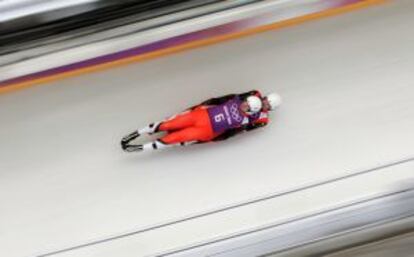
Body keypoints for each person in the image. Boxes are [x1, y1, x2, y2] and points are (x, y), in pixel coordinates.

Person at [121, 90, 281, 152]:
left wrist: (219, 138)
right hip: (202, 115)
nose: (245, 105)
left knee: (174, 138)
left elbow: (239, 131)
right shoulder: (250, 96)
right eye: (266, 100)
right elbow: (224, 98)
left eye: (268, 105)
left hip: (207, 130)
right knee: (168, 124)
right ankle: (136, 133)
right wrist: (204, 104)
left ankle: (139, 147)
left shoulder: (256, 118)